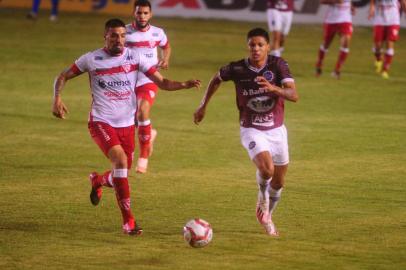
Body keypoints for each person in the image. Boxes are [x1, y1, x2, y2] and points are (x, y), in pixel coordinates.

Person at [52, 18, 200, 236]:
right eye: (114, 35)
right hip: (101, 122)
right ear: (105, 37)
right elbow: (63, 75)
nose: (119, 40)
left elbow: (162, 82)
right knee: (120, 162)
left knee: (121, 173)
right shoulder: (92, 59)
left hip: (127, 124)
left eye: (122, 35)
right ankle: (128, 222)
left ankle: (98, 180)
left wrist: (184, 85)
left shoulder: (135, 57)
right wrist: (56, 98)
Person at [194, 28, 298, 236]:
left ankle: (266, 215)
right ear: (248, 46)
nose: (256, 49)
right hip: (251, 129)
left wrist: (274, 89)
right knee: (267, 170)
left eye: (260, 45)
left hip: (277, 131)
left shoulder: (278, 65)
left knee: (278, 183)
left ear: (268, 46)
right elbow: (216, 79)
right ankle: (262, 196)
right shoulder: (237, 68)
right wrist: (203, 106)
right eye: (252, 45)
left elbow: (293, 95)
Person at [125, 0, 172, 174]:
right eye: (139, 13)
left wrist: (165, 59)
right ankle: (149, 134)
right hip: (127, 81)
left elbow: (166, 46)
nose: (142, 16)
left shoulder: (157, 33)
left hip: (148, 78)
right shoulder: (125, 32)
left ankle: (143, 155)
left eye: (145, 13)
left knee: (142, 111)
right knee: (133, 119)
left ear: (150, 14)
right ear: (134, 13)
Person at [315, 0, 355, 79]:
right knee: (326, 44)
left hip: (345, 19)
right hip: (331, 20)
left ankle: (337, 70)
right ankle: (319, 65)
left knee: (346, 42)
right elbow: (322, 1)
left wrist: (351, 6)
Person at [368, 0, 406, 79]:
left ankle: (385, 70)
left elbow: (403, 1)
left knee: (390, 43)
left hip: (393, 20)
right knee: (377, 46)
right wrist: (372, 8)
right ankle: (378, 59)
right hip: (379, 20)